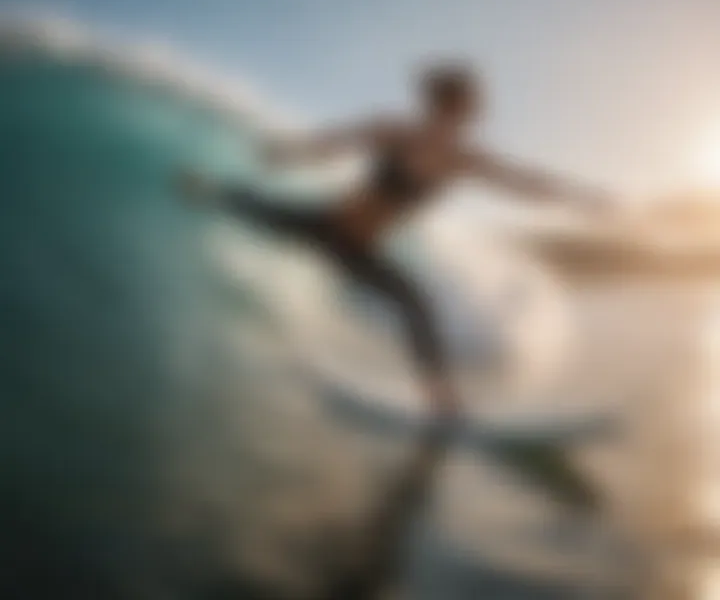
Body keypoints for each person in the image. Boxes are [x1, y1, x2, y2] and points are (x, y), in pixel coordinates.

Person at [177, 63, 607, 418]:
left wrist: (580, 199)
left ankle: (440, 398)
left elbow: (524, 182)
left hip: (358, 250)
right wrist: (288, 152)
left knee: (415, 304)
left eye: (476, 104)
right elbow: (336, 141)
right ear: (450, 105)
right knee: (254, 209)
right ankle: (209, 190)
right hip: (326, 225)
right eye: (472, 101)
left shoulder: (464, 160)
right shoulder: (395, 132)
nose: (478, 109)